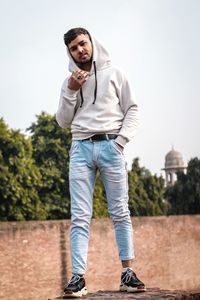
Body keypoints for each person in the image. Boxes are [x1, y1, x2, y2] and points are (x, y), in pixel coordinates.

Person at [56, 27, 146, 298]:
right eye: (74, 48)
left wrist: (120, 142)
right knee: (80, 216)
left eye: (83, 44)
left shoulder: (115, 73)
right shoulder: (69, 81)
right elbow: (62, 121)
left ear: (92, 43)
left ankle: (127, 273)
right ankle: (78, 278)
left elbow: (132, 109)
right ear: (70, 53)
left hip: (110, 145)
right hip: (80, 149)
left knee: (120, 211)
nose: (80, 50)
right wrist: (72, 90)